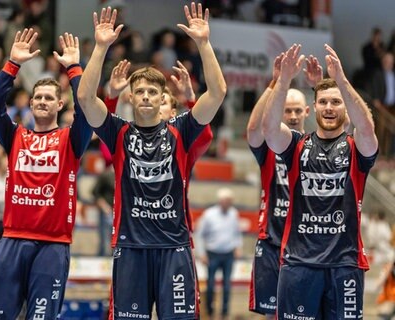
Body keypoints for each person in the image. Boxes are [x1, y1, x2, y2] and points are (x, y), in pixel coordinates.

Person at [77, 3, 226, 319]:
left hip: (174, 248)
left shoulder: (181, 130)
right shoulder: (117, 132)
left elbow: (217, 93)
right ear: (130, 97)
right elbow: (85, 100)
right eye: (139, 91)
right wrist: (101, 47)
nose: (145, 95)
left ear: (163, 99)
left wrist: (203, 43)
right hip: (131, 249)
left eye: (152, 92)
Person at [0, 29, 92, 319]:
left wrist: (74, 69)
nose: (41, 101)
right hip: (12, 240)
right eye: (37, 97)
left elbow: (88, 109)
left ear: (60, 104)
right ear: (30, 104)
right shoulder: (15, 135)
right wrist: (12, 65)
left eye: (48, 98)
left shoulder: (72, 139)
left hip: (53, 246)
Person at [262, 43, 378, 319]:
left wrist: (341, 80)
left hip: (345, 266)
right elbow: (269, 129)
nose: (329, 108)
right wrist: (284, 80)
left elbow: (367, 127)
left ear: (345, 109)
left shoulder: (356, 148)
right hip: (299, 265)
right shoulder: (296, 145)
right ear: (313, 108)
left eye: (336, 102)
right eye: (323, 102)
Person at [246, 52, 318, 318]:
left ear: (307, 112)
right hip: (272, 240)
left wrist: (317, 86)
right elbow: (254, 130)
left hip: (307, 243)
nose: (292, 115)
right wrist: (275, 83)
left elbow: (341, 127)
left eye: (297, 110)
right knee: (272, 314)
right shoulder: (268, 147)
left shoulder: (315, 143)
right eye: (287, 110)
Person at [195, 188, 242, 319]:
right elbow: (199, 235)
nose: (228, 203)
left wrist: (238, 247)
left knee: (227, 286)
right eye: (226, 200)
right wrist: (202, 253)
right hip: (212, 254)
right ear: (220, 200)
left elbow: (237, 233)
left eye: (230, 201)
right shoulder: (209, 214)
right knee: (210, 285)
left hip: (228, 254)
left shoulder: (234, 213)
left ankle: (225, 312)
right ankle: (209, 312)